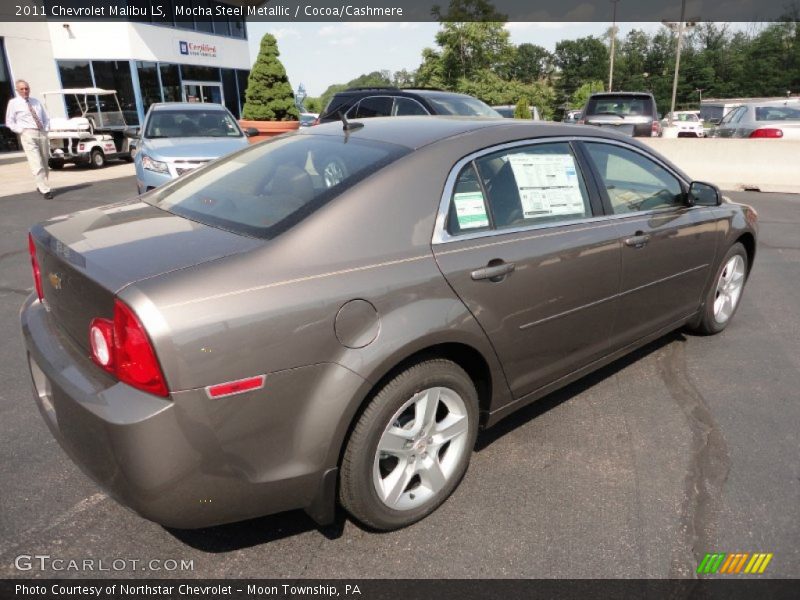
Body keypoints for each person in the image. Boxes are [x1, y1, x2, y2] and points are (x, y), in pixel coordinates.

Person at [5, 79, 53, 199]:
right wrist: (21, 131)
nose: (25, 91)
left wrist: (46, 129)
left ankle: (40, 184)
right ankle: (45, 189)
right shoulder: (13, 103)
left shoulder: (36, 102)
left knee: (45, 162)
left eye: (26, 88)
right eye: (22, 89)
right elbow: (9, 121)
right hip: (28, 134)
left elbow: (45, 117)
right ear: (17, 90)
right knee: (36, 163)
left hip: (41, 133)